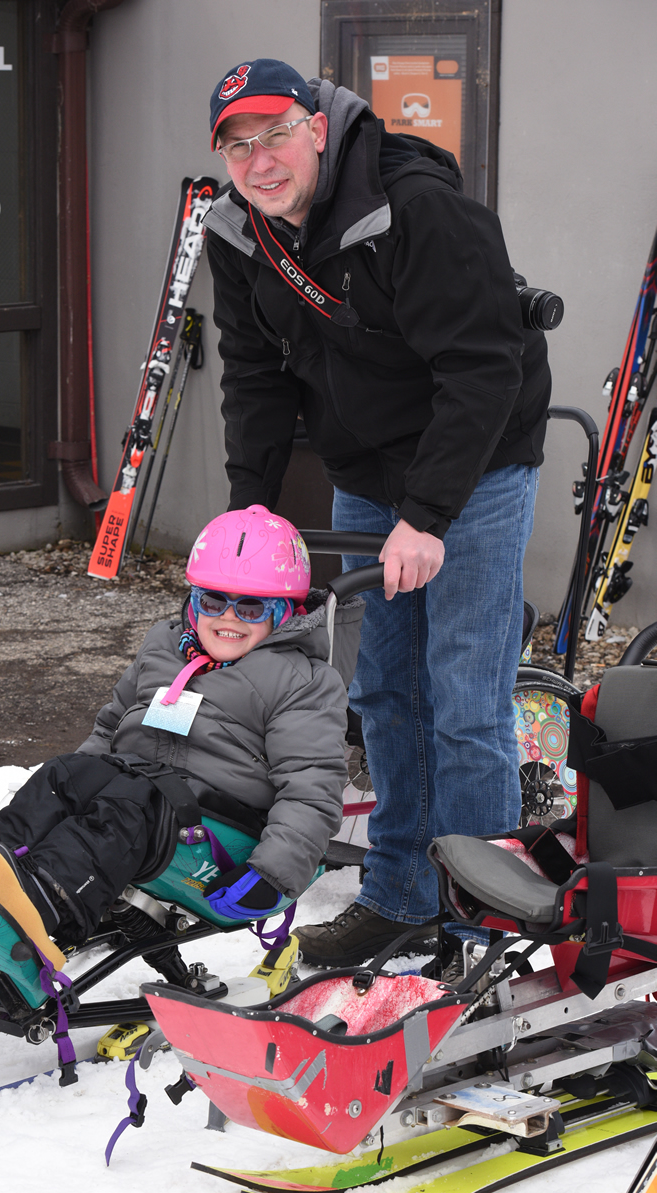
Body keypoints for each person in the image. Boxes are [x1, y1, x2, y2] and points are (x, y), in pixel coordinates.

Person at [204, 59, 551, 968]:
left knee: (464, 698)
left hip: (472, 463)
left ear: (318, 126)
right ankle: (401, 894)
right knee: (384, 693)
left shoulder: (417, 209)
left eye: (275, 132)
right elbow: (255, 378)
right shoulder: (240, 234)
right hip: (367, 464)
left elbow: (484, 369)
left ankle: (481, 925)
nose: (260, 160)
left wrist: (430, 515)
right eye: (238, 145)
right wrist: (248, 517)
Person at [0, 506, 346, 959]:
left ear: (283, 614)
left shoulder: (301, 681)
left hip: (220, 827)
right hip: (139, 790)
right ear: (193, 599)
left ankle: (45, 902)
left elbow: (312, 788)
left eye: (250, 606)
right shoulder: (165, 646)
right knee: (64, 776)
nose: (228, 617)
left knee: (125, 809)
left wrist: (273, 874)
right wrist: (83, 776)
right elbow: (111, 724)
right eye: (212, 601)